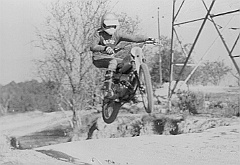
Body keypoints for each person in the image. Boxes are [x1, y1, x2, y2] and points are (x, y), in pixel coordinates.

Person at [90, 12, 154, 99]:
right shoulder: (98, 34)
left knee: (127, 64)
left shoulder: (117, 34)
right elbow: (93, 46)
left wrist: (147, 38)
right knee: (113, 61)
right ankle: (107, 89)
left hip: (111, 58)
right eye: (108, 26)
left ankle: (122, 86)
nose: (111, 29)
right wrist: (104, 48)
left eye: (113, 26)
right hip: (98, 58)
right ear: (103, 25)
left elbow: (133, 38)